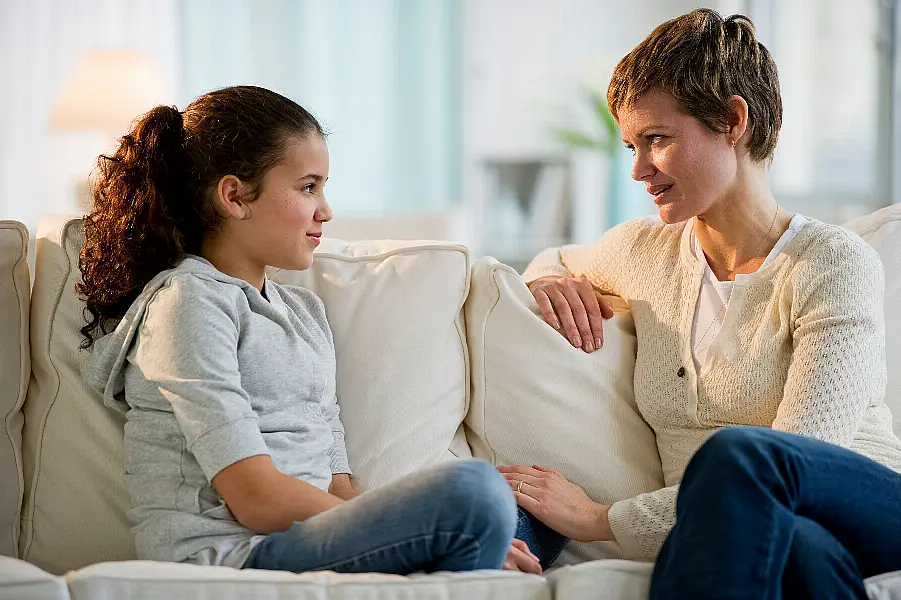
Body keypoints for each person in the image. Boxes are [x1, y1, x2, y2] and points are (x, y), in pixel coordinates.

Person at [78, 85, 540, 574]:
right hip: (233, 556)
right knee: (474, 491)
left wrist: (407, 527)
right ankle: (468, 551)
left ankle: (470, 552)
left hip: (316, 540)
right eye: (307, 187)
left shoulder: (304, 313)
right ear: (235, 196)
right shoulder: (188, 303)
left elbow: (339, 486)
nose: (326, 209)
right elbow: (254, 498)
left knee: (527, 511)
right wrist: (425, 526)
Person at [501, 7, 901, 571]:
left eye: (656, 139)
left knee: (744, 457)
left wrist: (601, 520)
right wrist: (549, 280)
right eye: (631, 147)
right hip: (752, 533)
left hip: (868, 506)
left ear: (734, 121)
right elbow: (545, 263)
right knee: (797, 556)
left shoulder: (831, 264)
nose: (639, 170)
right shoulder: (643, 254)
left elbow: (804, 458)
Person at [649, 427, 901, 599]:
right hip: (743, 508)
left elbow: (809, 436)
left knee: (741, 455)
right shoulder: (650, 347)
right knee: (799, 548)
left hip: (876, 509)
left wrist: (611, 519)